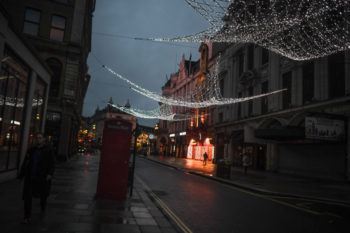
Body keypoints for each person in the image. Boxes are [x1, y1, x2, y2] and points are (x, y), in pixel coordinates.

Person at [18, 132, 55, 224]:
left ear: (43, 139)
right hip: (30, 177)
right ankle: (27, 216)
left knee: (43, 195)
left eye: (40, 138)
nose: (38, 139)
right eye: (37, 138)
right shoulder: (31, 150)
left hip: (42, 177)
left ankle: (43, 207)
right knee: (27, 197)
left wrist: (50, 174)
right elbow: (26, 162)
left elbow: (52, 163)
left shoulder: (48, 150)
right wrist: (21, 175)